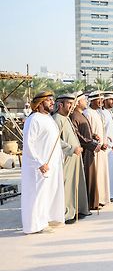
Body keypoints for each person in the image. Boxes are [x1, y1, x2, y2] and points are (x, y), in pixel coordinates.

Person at [21, 91, 65, 234]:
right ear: (40, 103)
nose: (52, 103)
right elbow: (28, 145)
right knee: (37, 195)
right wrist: (39, 163)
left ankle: (47, 219)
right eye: (49, 100)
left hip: (52, 164)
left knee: (49, 193)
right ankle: (35, 225)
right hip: (39, 167)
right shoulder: (33, 119)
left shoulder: (48, 118)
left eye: (52, 100)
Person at [54, 92, 90, 224]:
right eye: (68, 103)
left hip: (75, 157)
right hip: (67, 158)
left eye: (72, 103)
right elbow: (56, 141)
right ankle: (67, 213)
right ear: (60, 104)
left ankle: (77, 210)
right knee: (67, 186)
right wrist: (72, 148)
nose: (71, 106)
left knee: (76, 184)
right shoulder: (57, 119)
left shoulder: (67, 118)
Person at [70, 92, 100, 210]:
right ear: (77, 103)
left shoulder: (81, 115)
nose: (86, 102)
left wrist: (93, 135)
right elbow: (77, 135)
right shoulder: (74, 116)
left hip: (89, 151)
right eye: (84, 100)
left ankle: (92, 204)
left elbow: (85, 132)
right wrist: (91, 144)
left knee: (91, 177)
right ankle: (85, 205)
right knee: (86, 178)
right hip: (83, 152)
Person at [83, 91, 111, 207]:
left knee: (102, 173)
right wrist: (96, 142)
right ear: (92, 100)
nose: (101, 102)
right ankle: (96, 199)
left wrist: (105, 141)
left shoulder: (98, 113)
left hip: (102, 148)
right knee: (96, 174)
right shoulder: (87, 113)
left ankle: (102, 198)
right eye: (99, 100)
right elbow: (88, 133)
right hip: (93, 149)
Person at [102, 91, 113, 200]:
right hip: (108, 148)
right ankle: (108, 194)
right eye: (110, 99)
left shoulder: (109, 112)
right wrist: (111, 144)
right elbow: (104, 132)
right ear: (104, 100)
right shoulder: (102, 113)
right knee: (108, 171)